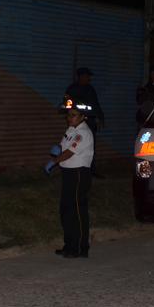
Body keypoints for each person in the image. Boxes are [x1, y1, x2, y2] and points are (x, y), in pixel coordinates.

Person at [51, 103, 95, 258]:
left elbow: (69, 153)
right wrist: (57, 148)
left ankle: (80, 248)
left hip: (78, 174)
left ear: (83, 117)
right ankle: (69, 245)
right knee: (66, 211)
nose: (70, 118)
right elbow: (64, 147)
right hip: (68, 174)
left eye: (74, 115)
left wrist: (54, 161)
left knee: (76, 212)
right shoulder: (71, 130)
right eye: (69, 115)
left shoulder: (84, 133)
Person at [64, 67, 104, 134]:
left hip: (90, 121)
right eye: (87, 76)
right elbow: (67, 104)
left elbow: (95, 104)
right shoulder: (72, 89)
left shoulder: (90, 89)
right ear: (81, 76)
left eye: (89, 76)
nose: (89, 78)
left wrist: (100, 117)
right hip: (77, 121)